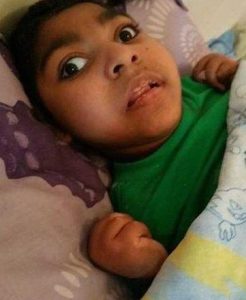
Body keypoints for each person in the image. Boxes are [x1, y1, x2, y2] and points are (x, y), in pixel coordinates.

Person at [10, 0, 239, 281]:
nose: (121, 55)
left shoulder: (212, 82)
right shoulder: (132, 214)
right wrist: (150, 269)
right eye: (73, 66)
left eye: (126, 35)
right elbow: (216, 278)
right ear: (55, 126)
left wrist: (235, 75)